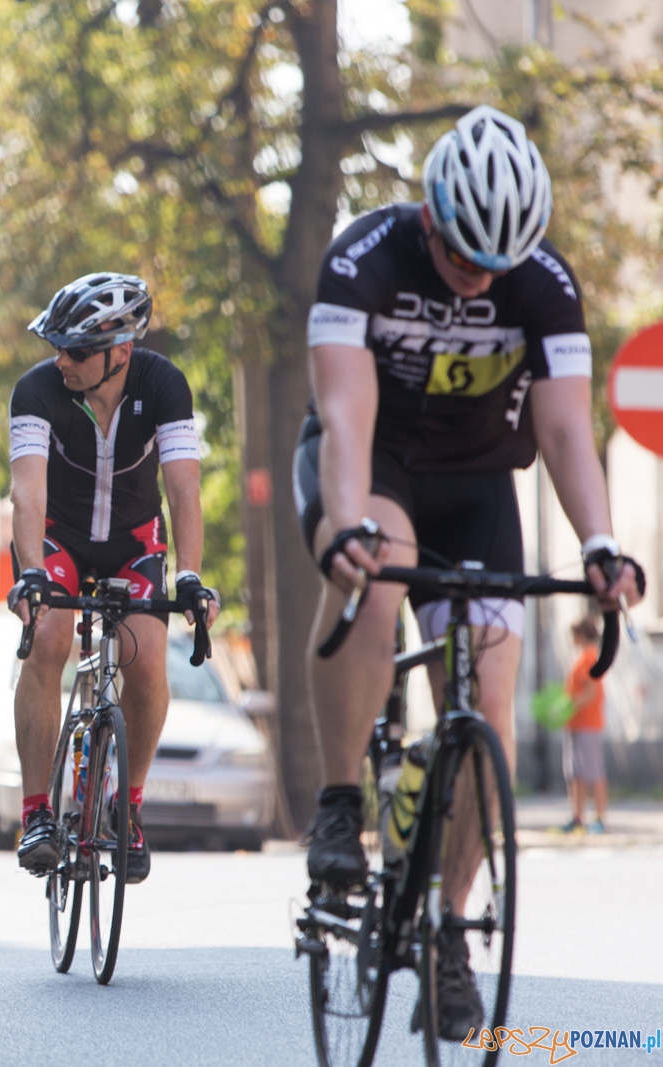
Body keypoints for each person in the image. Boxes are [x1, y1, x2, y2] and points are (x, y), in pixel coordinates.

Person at [295, 106, 644, 1037]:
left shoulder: (545, 284)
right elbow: (345, 409)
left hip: (482, 479)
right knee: (381, 574)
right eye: (460, 256)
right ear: (430, 218)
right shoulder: (362, 259)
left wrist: (601, 543)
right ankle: (338, 804)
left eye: (499, 263)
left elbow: (569, 428)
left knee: (490, 705)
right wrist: (350, 522)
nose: (479, 277)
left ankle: (449, 926)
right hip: (374, 462)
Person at [5, 273, 219, 882]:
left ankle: (127, 805)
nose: (61, 360)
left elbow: (183, 487)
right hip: (59, 536)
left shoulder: (164, 384)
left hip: (132, 539)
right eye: (58, 347)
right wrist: (30, 573)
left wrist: (191, 575)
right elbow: (27, 490)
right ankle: (37, 813)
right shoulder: (37, 390)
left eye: (75, 350)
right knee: (48, 639)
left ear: (120, 353)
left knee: (148, 655)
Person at [561, 615, 608, 834]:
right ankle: (577, 817)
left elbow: (591, 692)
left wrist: (568, 704)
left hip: (588, 723)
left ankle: (599, 818)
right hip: (575, 724)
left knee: (593, 771)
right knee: (576, 774)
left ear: (580, 635)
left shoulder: (589, 658)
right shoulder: (582, 657)